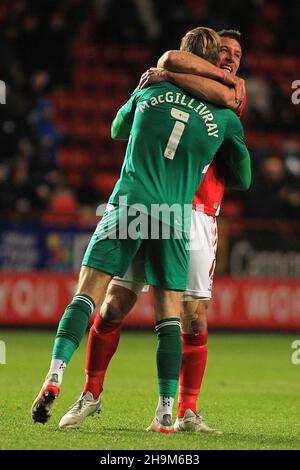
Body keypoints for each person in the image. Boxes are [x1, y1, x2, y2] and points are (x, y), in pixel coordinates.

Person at [56, 28, 250, 432]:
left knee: (193, 317)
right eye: (224, 51)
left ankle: (184, 412)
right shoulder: (178, 81)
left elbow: (173, 68)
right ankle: (91, 394)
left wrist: (167, 75)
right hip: (151, 205)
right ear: (207, 55)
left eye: (237, 55)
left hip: (196, 216)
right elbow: (170, 63)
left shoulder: (228, 98)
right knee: (114, 304)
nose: (230, 59)